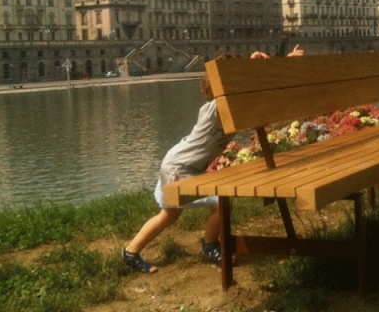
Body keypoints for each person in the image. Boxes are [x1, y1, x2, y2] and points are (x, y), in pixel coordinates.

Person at [122, 44, 304, 273]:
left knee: (169, 215)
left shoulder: (235, 106)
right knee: (220, 202)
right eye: (235, 77)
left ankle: (131, 251)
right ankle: (209, 245)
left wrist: (282, 63)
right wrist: (252, 65)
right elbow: (239, 90)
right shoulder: (215, 108)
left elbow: (257, 93)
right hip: (180, 166)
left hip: (182, 163)